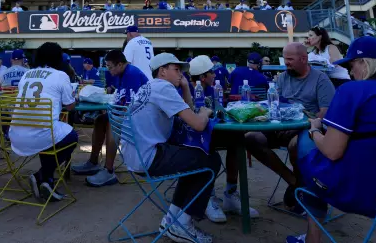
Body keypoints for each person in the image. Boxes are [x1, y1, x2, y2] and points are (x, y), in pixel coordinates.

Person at [286, 37, 376, 243]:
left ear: (365, 62)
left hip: (366, 190)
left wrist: (314, 131)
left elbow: (332, 151)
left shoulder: (353, 90)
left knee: (306, 145)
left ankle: (312, 238)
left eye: (351, 65)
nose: (349, 71)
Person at [124, 53, 221, 243]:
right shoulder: (164, 88)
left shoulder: (150, 87)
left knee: (193, 160)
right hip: (149, 157)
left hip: (135, 156)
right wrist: (205, 112)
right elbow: (198, 123)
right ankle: (182, 224)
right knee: (210, 159)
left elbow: (187, 111)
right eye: (176, 70)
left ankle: (172, 220)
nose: (181, 75)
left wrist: (185, 86)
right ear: (162, 71)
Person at [243, 43, 335, 210]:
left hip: (305, 128)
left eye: (290, 59)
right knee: (250, 137)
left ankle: (302, 189)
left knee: (295, 145)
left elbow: (326, 113)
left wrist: (306, 121)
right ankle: (294, 182)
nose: (286, 63)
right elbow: (274, 104)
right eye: (285, 59)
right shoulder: (284, 77)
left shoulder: (320, 79)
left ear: (304, 59)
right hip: (280, 126)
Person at [191, 56, 259, 222]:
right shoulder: (189, 91)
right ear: (202, 77)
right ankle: (208, 197)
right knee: (209, 146)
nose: (215, 75)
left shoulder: (210, 89)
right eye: (211, 73)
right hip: (192, 141)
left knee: (236, 140)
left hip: (208, 134)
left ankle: (230, 194)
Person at [10, 42, 77, 202]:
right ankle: (42, 176)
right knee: (71, 137)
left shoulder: (27, 74)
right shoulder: (61, 75)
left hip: (16, 135)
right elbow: (70, 107)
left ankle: (47, 181)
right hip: (40, 135)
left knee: (49, 133)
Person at [72, 50, 149, 187]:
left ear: (120, 64)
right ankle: (93, 162)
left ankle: (109, 171)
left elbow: (131, 106)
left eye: (110, 66)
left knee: (112, 122)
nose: (108, 69)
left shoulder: (131, 74)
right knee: (100, 120)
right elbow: (120, 99)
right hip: (130, 114)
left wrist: (112, 110)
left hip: (141, 118)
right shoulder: (121, 73)